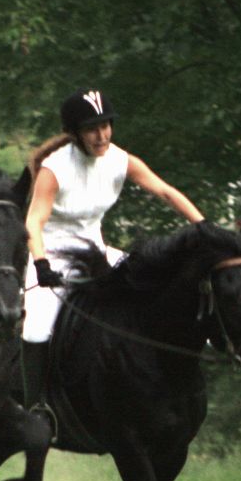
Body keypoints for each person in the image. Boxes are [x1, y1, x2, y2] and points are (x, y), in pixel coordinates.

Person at [22, 88, 205, 412]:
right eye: (93, 128)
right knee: (36, 328)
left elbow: (164, 191)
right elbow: (33, 221)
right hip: (52, 255)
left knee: (154, 290)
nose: (102, 134)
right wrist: (40, 263)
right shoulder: (54, 169)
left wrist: (205, 227)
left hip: (96, 249)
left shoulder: (120, 160)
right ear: (75, 134)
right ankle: (34, 406)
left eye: (106, 125)